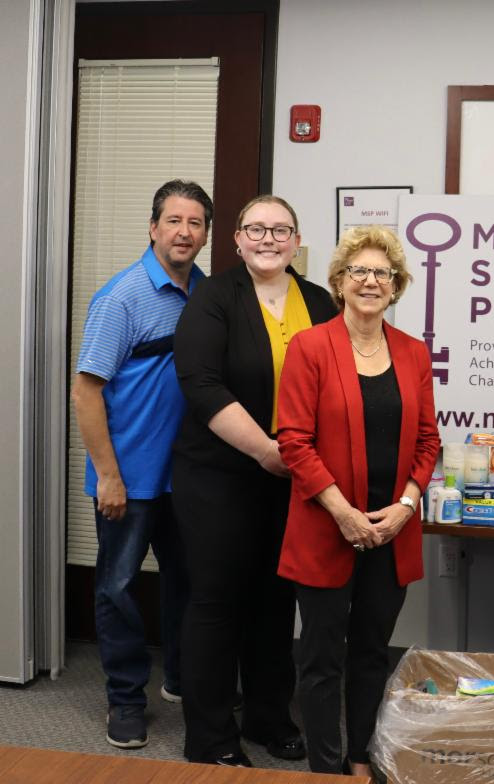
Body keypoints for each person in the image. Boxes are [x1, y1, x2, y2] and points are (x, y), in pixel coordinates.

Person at [172, 195, 338, 767]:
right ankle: (211, 737)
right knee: (217, 603)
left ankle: (269, 718)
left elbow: (337, 388)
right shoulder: (213, 299)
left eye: (281, 230)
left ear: (296, 241)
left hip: (293, 479)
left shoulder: (318, 301)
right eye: (256, 229)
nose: (268, 239)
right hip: (219, 474)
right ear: (237, 239)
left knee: (275, 600)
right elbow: (202, 385)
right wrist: (268, 451)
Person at [276, 225, 440, 777]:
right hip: (327, 527)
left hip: (391, 532)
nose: (370, 281)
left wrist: (406, 506)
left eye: (382, 273)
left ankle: (360, 756)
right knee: (321, 658)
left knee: (371, 653)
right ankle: (325, 765)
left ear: (396, 286)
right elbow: (293, 440)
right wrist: (343, 513)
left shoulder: (414, 353)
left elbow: (427, 441)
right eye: (359, 271)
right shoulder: (311, 347)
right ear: (340, 282)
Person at [72, 179, 211, 749]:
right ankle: (125, 701)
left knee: (189, 582)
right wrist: (108, 474)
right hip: (126, 479)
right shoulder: (122, 297)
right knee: (118, 589)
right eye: (173, 220)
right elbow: (86, 391)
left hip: (189, 478)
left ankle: (180, 677)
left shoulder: (207, 292)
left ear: (205, 234)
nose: (184, 232)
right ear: (153, 228)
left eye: (195, 222)